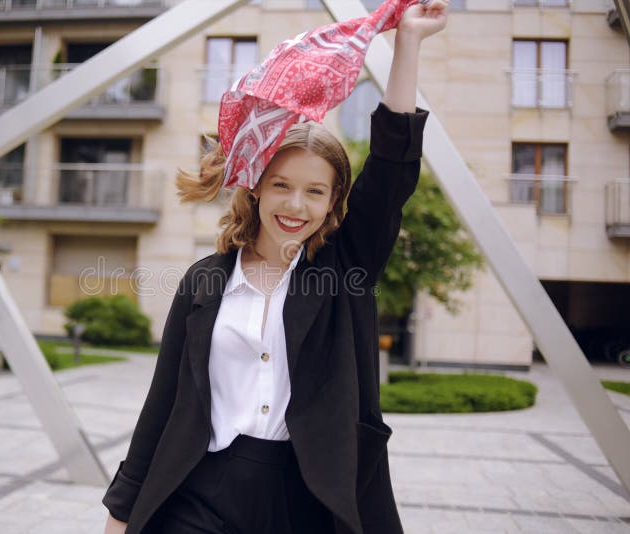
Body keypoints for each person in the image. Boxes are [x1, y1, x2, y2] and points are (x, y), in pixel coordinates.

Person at [103, 1, 448, 532]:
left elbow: (393, 167)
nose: (295, 206)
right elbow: (163, 402)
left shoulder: (345, 273)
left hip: (310, 494)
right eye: (282, 186)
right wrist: (120, 515)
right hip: (200, 489)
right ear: (257, 187)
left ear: (334, 203)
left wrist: (408, 43)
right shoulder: (205, 280)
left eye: (315, 192)